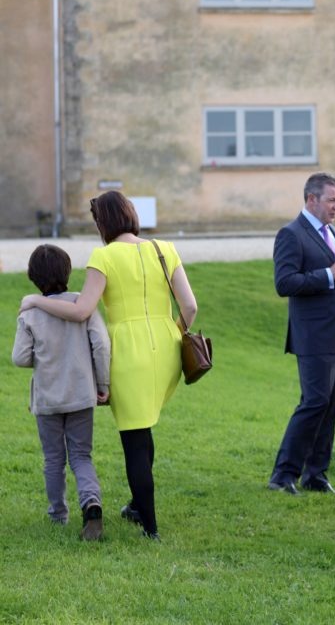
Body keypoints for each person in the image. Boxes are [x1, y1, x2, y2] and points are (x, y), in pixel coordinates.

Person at [20, 192, 198, 540]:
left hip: (127, 351)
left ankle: (150, 527)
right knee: (145, 426)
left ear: (102, 222)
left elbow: (81, 310)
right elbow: (189, 307)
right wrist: (171, 335)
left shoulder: (104, 256)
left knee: (134, 438)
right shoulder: (165, 248)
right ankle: (136, 506)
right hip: (167, 346)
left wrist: (35, 301)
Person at [13, 244, 111, 540]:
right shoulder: (84, 305)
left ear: (33, 277)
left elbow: (20, 357)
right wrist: (102, 385)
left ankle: (58, 514)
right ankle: (91, 504)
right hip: (81, 395)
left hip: (47, 399)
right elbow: (101, 345)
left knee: (53, 459)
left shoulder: (30, 314)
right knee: (81, 456)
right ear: (67, 272)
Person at [268, 172, 335, 496]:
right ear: (311, 199)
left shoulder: (331, 231)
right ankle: (283, 475)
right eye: (332, 200)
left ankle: (316, 474)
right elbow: (284, 283)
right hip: (313, 335)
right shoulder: (291, 234)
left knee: (329, 405)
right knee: (314, 402)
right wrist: (329, 274)